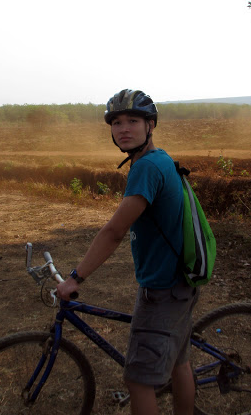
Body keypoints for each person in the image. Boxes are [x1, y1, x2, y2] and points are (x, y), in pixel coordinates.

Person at [57, 89, 199, 415]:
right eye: (116, 122)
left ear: (150, 125)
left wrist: (75, 277)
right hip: (180, 281)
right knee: (178, 361)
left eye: (133, 120)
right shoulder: (160, 158)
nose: (123, 128)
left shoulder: (146, 168)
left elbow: (113, 232)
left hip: (162, 289)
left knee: (139, 380)